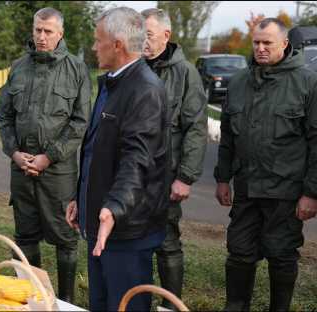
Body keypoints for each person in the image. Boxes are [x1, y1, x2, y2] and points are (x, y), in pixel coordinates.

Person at [65, 7, 169, 311]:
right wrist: (81, 198)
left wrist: (113, 207)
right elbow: (97, 150)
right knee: (100, 302)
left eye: (98, 41)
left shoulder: (145, 90)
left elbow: (137, 160)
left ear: (118, 44)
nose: (95, 47)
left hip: (127, 229)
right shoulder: (112, 82)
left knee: (125, 305)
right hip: (104, 223)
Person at [214, 18, 317, 311]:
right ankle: (236, 307)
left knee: (281, 254)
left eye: (267, 43)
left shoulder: (308, 83)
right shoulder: (240, 82)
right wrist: (223, 178)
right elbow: (227, 139)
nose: (260, 48)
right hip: (247, 190)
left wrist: (311, 193)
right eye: (256, 42)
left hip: (286, 192)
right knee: (239, 253)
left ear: (284, 44)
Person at [0, 7, 91, 303]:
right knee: (25, 237)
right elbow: (4, 116)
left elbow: (80, 122)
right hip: (22, 169)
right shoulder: (18, 67)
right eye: (37, 29)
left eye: (48, 31)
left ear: (60, 34)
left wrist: (48, 157)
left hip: (58, 173)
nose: (41, 36)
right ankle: (32, 298)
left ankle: (64, 302)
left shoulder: (76, 69)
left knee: (65, 240)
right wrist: (13, 152)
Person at [141, 8, 208, 309]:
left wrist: (185, 177)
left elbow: (196, 127)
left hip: (166, 176)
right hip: (130, 175)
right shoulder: (132, 67)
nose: (141, 40)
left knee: (166, 243)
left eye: (148, 34)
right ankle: (136, 301)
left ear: (166, 36)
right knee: (133, 243)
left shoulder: (185, 73)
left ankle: (170, 306)